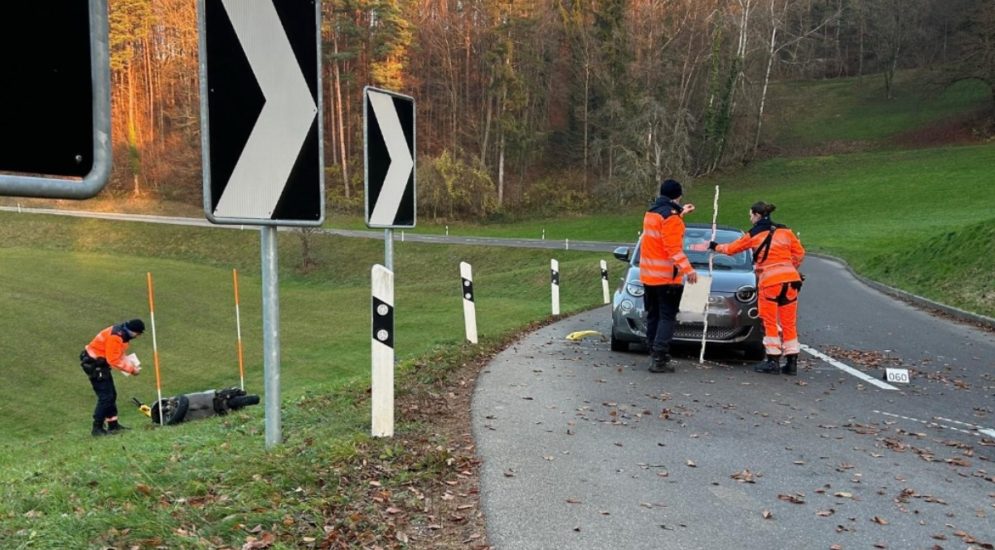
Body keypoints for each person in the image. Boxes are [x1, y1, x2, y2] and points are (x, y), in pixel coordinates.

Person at [709, 202, 805, 375]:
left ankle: (773, 360)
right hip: (791, 280)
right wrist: (791, 268)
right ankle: (792, 362)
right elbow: (799, 253)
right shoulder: (786, 232)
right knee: (789, 322)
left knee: (769, 321)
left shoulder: (754, 234)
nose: (750, 218)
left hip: (770, 281)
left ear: (756, 215)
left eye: (750, 215)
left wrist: (715, 247)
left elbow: (732, 249)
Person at [640, 179, 698, 373]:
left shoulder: (652, 212)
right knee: (667, 317)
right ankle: (660, 356)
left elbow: (663, 227)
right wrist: (688, 270)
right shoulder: (672, 217)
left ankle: (652, 351)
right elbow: (672, 247)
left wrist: (681, 212)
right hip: (666, 277)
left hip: (649, 276)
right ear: (678, 195)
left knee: (653, 315)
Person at [80, 319, 144, 436]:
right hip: (95, 365)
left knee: (111, 395)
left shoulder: (122, 334)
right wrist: (131, 369)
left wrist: (129, 364)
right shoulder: (116, 337)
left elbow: (117, 353)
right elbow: (113, 359)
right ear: (133, 331)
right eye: (138, 334)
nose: (138, 337)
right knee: (106, 397)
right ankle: (97, 428)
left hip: (101, 364)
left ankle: (113, 425)